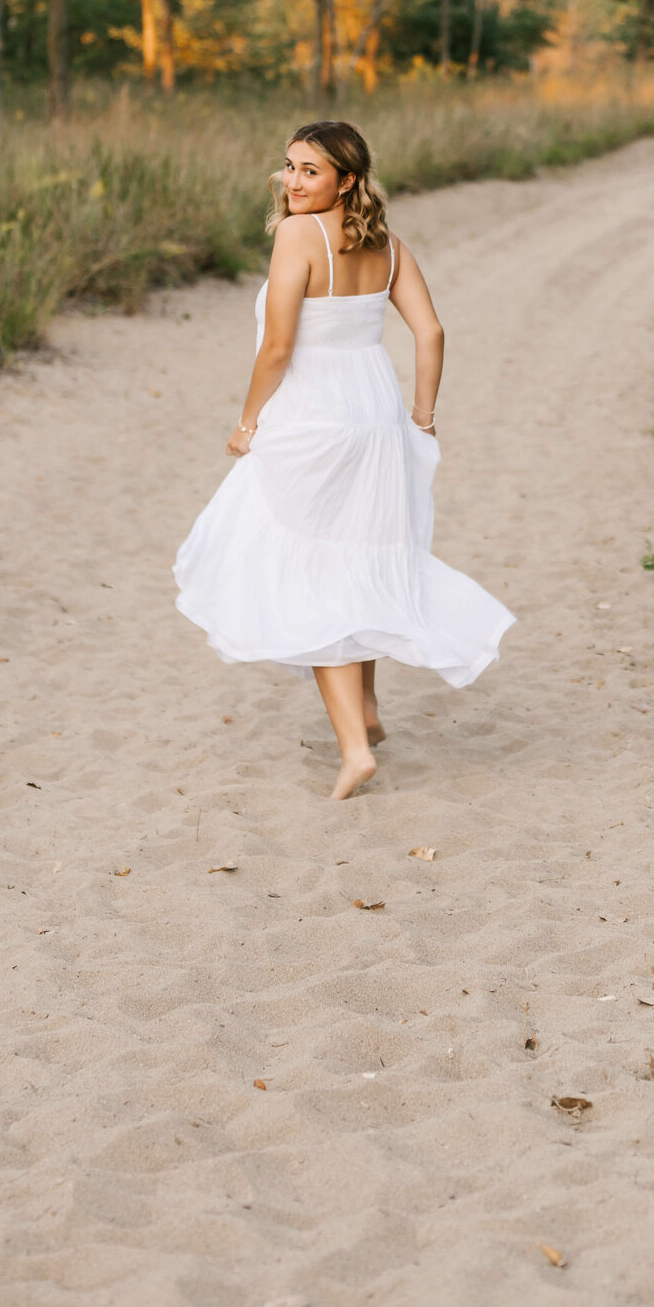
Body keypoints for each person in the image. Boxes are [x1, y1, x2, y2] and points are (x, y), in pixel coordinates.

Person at [174, 119, 514, 798]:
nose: (293, 181)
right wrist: (422, 417)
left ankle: (354, 750)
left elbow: (277, 349)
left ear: (346, 180)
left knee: (312, 576)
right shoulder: (386, 245)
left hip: (312, 414)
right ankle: (369, 713)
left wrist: (246, 423)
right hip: (374, 411)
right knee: (354, 557)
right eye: (290, 167)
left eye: (310, 171)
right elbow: (431, 332)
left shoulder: (299, 237)